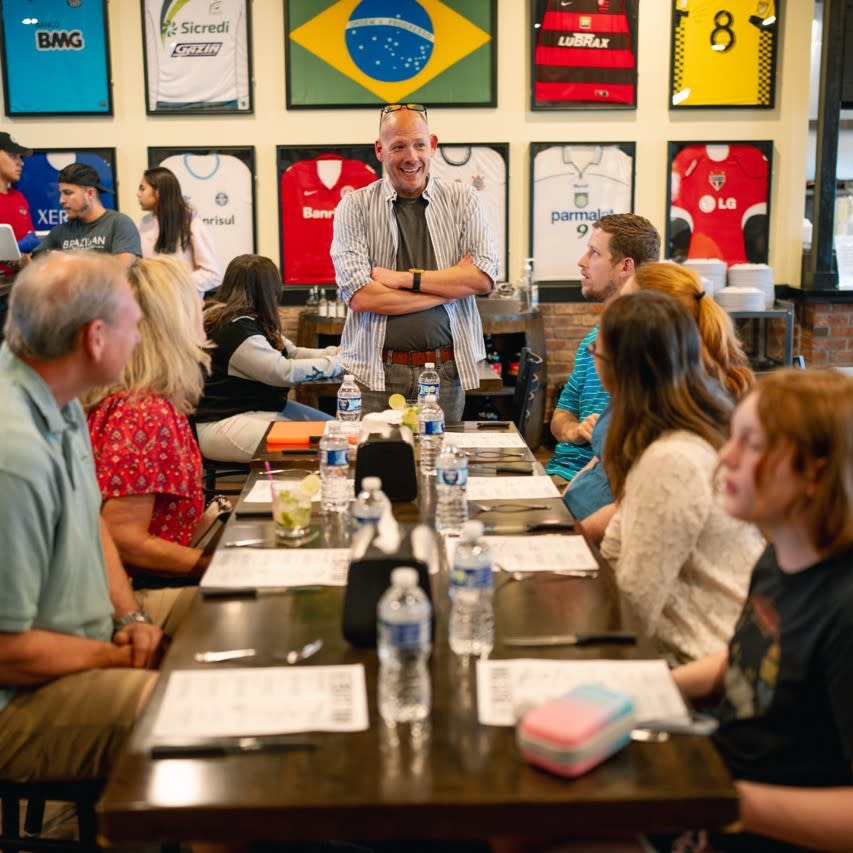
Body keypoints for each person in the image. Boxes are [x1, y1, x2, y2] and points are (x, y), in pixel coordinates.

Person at [657, 368, 853, 853]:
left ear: (816, 472)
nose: (726, 456)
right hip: (719, 778)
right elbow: (747, 660)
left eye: (752, 443)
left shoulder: (844, 612)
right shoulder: (777, 556)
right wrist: (645, 689)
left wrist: (721, 801)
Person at [0, 251, 163, 782]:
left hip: (83, 636)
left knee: (220, 618)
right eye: (133, 326)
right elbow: (7, 652)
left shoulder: (55, 387)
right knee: (188, 714)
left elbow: (92, 519)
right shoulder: (14, 457)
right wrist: (111, 659)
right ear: (95, 339)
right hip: (21, 696)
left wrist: (130, 617)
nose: (138, 338)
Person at [597, 291, 765, 664]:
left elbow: (636, 605)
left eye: (596, 352)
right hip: (701, 653)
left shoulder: (672, 459)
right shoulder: (666, 435)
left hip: (701, 664)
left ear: (617, 369)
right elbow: (616, 546)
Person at [330, 103, 498, 422]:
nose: (411, 156)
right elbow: (362, 296)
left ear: (432, 145)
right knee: (371, 468)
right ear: (380, 150)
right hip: (372, 373)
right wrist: (450, 288)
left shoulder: (464, 201)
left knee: (438, 466)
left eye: (419, 144)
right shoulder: (353, 207)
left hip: (445, 374)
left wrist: (405, 279)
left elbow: (483, 276)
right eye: (398, 147)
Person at [565, 261, 754, 530]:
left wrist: (575, 533)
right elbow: (599, 462)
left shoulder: (682, 402)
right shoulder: (641, 378)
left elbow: (638, 507)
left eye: (627, 303)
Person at [85, 258, 212, 628]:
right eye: (197, 305)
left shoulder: (121, 396)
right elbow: (123, 540)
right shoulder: (144, 411)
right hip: (130, 598)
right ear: (174, 323)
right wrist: (212, 566)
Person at [545, 213, 660, 483]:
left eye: (594, 253)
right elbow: (560, 416)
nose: (582, 262)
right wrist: (574, 430)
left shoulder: (652, 344)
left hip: (602, 483)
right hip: (560, 472)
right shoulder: (592, 340)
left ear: (625, 266)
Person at [196, 254, 342, 463]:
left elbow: (292, 352)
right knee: (327, 442)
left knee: (336, 430)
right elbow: (281, 372)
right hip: (225, 422)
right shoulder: (234, 328)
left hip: (257, 409)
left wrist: (336, 354)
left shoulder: (250, 320)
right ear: (267, 289)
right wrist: (337, 365)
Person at [34, 162, 141, 268]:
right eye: (61, 193)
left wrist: (71, 260)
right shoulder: (61, 230)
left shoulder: (119, 223)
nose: (61, 200)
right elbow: (34, 260)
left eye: (68, 193)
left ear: (90, 193)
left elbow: (122, 266)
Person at [137, 166, 221, 297]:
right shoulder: (143, 223)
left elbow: (212, 275)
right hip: (152, 306)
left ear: (158, 192)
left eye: (142, 188)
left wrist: (173, 283)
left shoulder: (192, 223)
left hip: (184, 308)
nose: (138, 194)